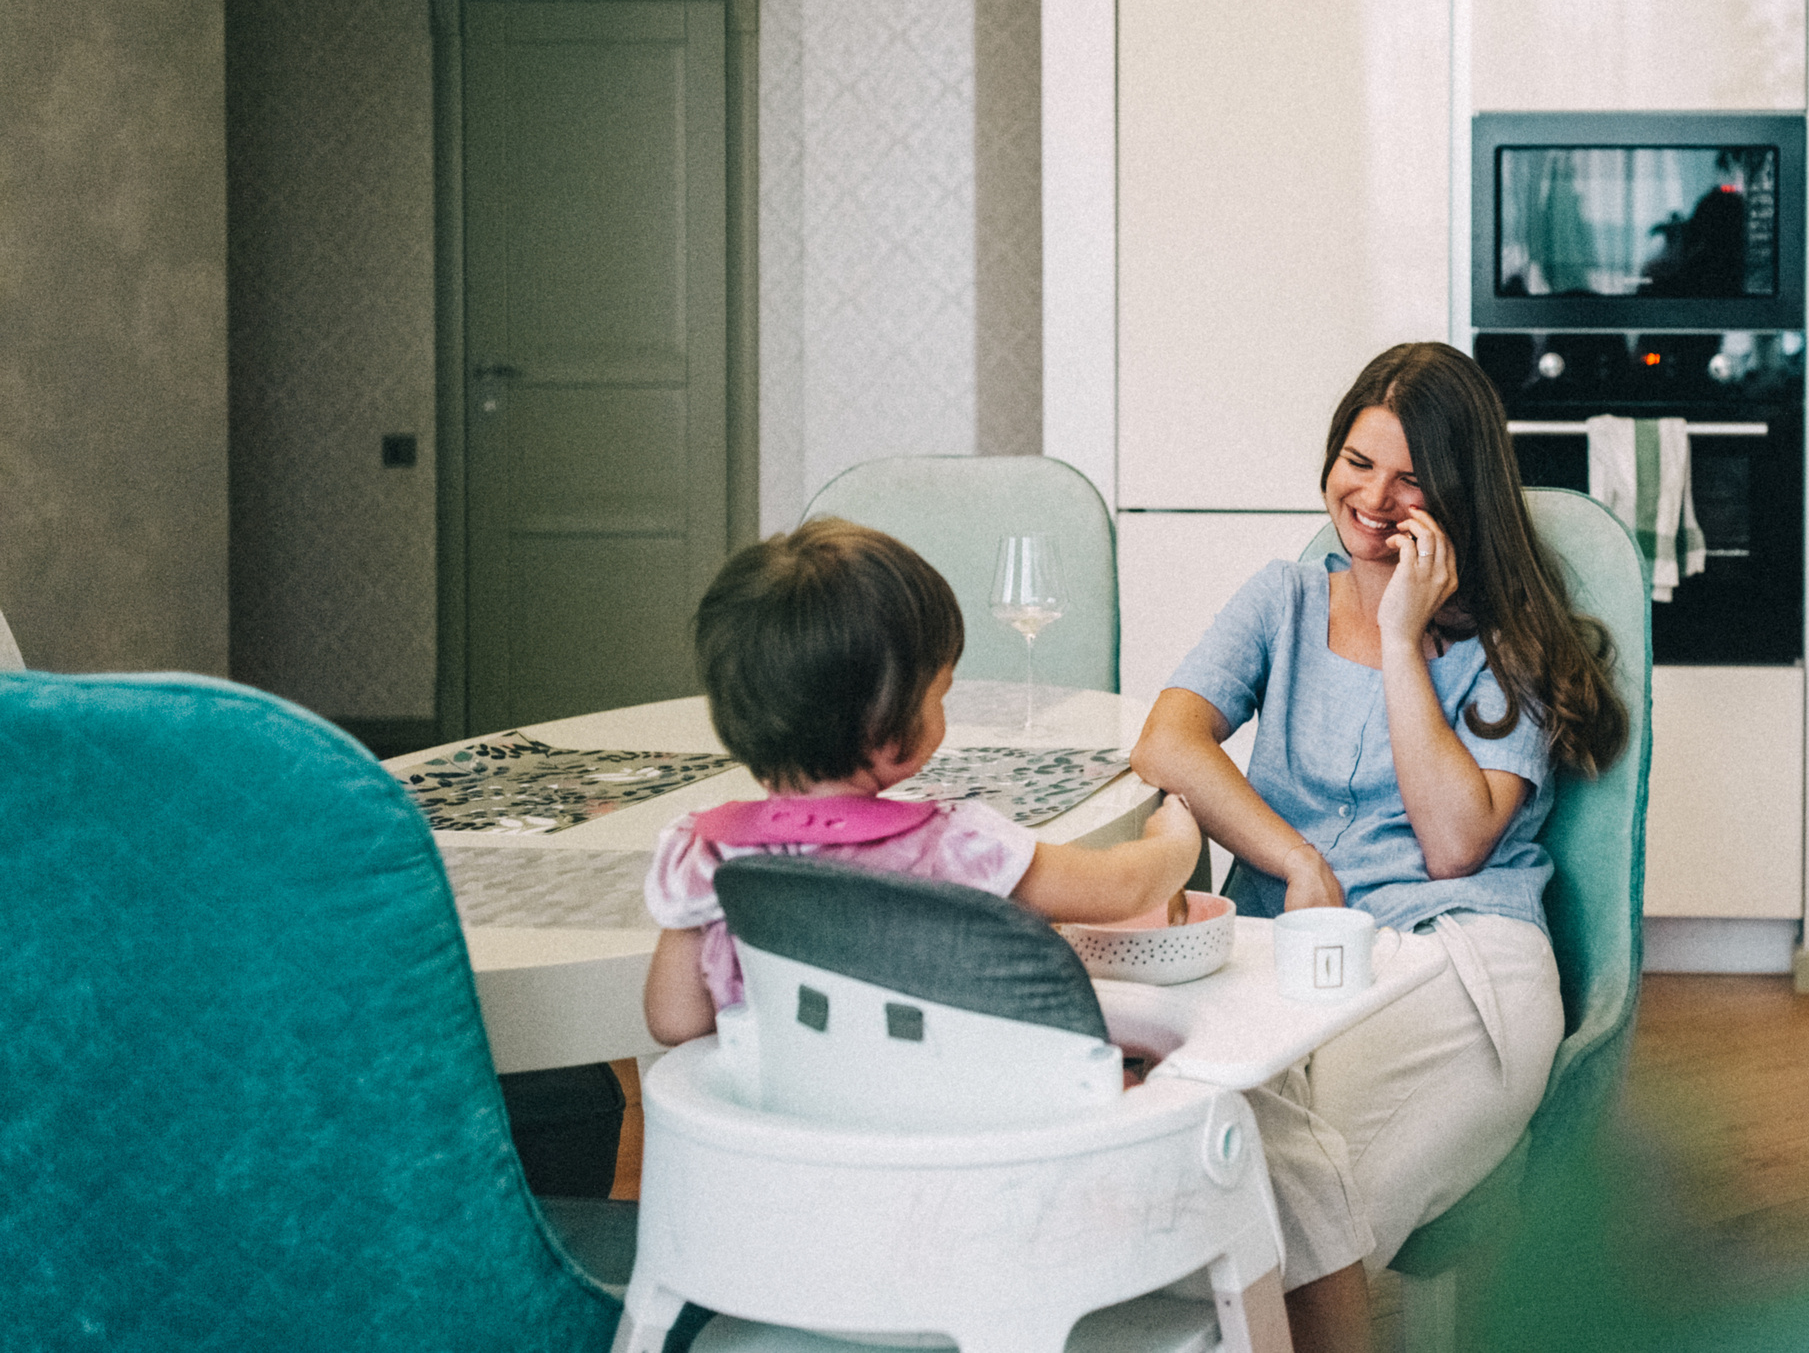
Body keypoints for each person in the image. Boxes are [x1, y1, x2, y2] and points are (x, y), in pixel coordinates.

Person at [1130, 341, 1630, 1353]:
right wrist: (1297, 861)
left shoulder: (1510, 643)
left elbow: (1452, 843)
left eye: (1410, 480)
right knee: (1205, 1177)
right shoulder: (1279, 598)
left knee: (1288, 1203)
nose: (1372, 497)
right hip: (1288, 958)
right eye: (1357, 462)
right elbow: (1166, 739)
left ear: (1457, 499)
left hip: (1453, 958)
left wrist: (1402, 639)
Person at [642, 518, 1200, 1047]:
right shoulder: (955, 846)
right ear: (889, 733)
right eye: (939, 692)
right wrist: (1175, 842)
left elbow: (675, 1020)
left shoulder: (706, 853)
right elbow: (1120, 888)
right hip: (950, 1125)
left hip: (798, 1134)